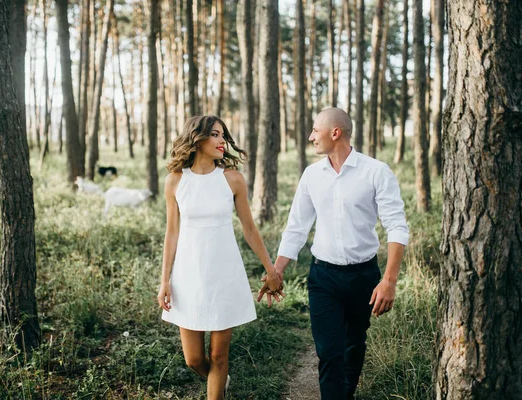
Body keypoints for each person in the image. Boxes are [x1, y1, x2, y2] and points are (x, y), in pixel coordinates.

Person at [264, 108, 409, 399]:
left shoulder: (376, 171)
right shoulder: (311, 175)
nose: (310, 136)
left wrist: (389, 280)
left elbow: (397, 226)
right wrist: (277, 270)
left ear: (335, 132)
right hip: (323, 277)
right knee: (329, 352)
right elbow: (296, 227)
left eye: (315, 130)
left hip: (364, 277)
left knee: (354, 345)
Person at [158, 115, 283, 399]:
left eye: (223, 135)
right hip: (188, 276)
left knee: (218, 357)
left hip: (224, 273)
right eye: (215, 135)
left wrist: (271, 269)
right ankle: (220, 381)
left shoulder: (232, 180)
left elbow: (249, 229)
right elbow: (172, 233)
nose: (222, 141)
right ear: (197, 138)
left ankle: (217, 388)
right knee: (193, 360)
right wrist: (164, 280)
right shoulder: (175, 181)